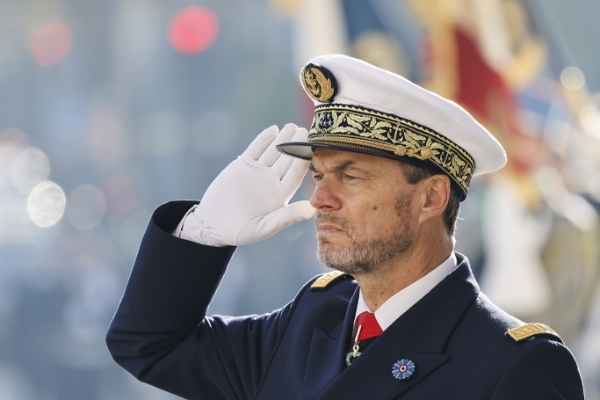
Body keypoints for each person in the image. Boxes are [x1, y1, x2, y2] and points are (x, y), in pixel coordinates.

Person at [106, 54, 584, 399]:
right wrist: (203, 233)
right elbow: (148, 344)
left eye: (351, 176)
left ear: (432, 197)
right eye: (319, 175)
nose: (320, 200)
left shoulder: (513, 365)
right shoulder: (314, 318)